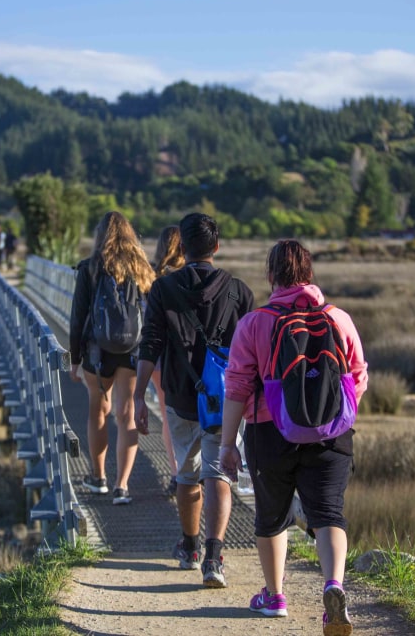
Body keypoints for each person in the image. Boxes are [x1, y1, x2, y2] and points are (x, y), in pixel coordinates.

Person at [218, 239, 367, 634]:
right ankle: (334, 584)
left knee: (272, 516)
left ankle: (275, 595)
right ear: (310, 273)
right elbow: (357, 376)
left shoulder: (254, 323)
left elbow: (236, 387)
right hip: (332, 435)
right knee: (328, 514)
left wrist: (226, 444)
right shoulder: (339, 318)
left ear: (271, 276)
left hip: (270, 432)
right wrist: (333, 415)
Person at [133, 212, 254, 588]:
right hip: (227, 399)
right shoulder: (239, 292)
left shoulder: (163, 289)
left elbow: (150, 344)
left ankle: (189, 547)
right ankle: (215, 557)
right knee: (217, 473)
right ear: (216, 247)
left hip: (182, 397)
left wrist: (138, 396)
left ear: (182, 248)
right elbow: (252, 352)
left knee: (187, 474)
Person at [69, 211, 154, 506]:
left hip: (97, 350)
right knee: (127, 412)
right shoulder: (141, 267)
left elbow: (78, 316)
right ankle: (122, 486)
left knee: (98, 409)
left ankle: (99, 477)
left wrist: (74, 359)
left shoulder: (91, 268)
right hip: (133, 349)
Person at [149, 225, 186, 496]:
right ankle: (194, 472)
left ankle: (177, 474)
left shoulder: (150, 276)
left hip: (159, 357)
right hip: (189, 356)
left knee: (168, 415)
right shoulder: (191, 274)